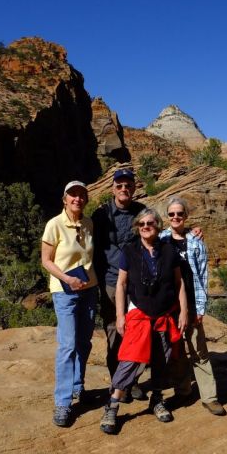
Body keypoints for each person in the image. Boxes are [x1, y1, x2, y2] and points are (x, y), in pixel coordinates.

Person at [99, 208, 189, 434]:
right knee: (130, 358)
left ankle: (156, 399)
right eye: (142, 224)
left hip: (165, 314)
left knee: (162, 358)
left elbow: (179, 284)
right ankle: (112, 405)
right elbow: (120, 284)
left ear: (158, 226)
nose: (146, 226)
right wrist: (120, 315)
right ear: (137, 227)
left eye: (151, 223)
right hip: (139, 313)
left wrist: (184, 311)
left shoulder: (169, 250)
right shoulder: (129, 251)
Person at [159, 197, 226, 416]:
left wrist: (200, 307)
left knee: (199, 350)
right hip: (170, 307)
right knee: (176, 351)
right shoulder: (161, 239)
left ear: (186, 216)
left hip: (192, 302)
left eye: (179, 214)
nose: (175, 217)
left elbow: (203, 275)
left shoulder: (196, 241)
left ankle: (210, 397)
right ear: (167, 217)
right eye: (171, 214)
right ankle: (183, 390)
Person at [42, 180, 99, 427]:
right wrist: (66, 278)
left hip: (89, 290)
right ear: (64, 199)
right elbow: (46, 260)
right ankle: (63, 403)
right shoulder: (54, 224)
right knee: (67, 346)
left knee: (84, 342)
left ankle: (78, 386)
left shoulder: (88, 224)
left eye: (81, 195)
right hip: (64, 291)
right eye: (72, 195)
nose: (77, 198)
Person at [91, 168, 148, 400]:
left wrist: (191, 233)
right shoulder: (102, 214)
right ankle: (117, 384)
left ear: (134, 188)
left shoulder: (141, 211)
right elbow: (94, 248)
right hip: (112, 282)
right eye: (120, 185)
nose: (124, 189)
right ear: (113, 188)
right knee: (115, 331)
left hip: (137, 282)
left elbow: (157, 235)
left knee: (136, 331)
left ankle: (132, 381)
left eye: (128, 185)